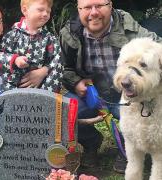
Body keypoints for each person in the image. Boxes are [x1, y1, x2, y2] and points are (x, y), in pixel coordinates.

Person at [60, 0, 162, 173]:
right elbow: (63, 67)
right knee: (64, 110)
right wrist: (76, 82)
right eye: (86, 7)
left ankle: (128, 148)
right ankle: (92, 143)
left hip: (127, 95)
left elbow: (157, 51)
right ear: (79, 9)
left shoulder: (129, 27)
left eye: (99, 5)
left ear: (110, 5)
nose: (93, 12)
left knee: (146, 116)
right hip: (91, 94)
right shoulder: (69, 33)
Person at [0, 0, 63, 93]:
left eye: (48, 11)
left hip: (39, 89)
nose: (46, 14)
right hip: (12, 88)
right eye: (41, 9)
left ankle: (47, 102)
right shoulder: (12, 35)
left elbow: (58, 59)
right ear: (25, 10)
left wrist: (44, 71)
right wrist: (14, 60)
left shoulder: (50, 38)